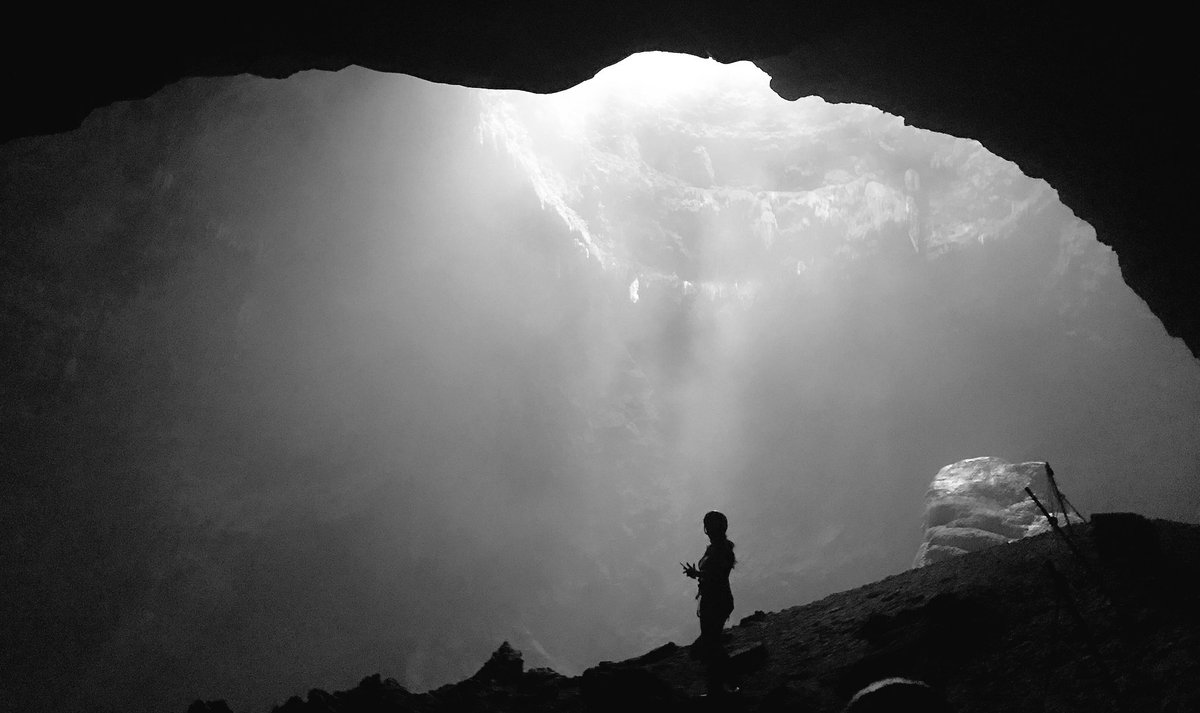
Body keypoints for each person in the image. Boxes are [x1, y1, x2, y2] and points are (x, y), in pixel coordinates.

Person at [681, 510, 736, 695]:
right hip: (713, 600)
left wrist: (697, 574)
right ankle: (721, 687)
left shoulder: (721, 550)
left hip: (717, 601)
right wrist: (697, 575)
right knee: (712, 642)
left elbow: (717, 576)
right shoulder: (716, 549)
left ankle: (723, 686)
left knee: (711, 643)